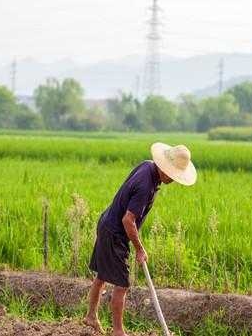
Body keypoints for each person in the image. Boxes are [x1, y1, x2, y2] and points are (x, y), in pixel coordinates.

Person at [83, 142, 197, 336]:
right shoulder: (146, 186)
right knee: (122, 284)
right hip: (115, 233)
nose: (174, 180)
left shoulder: (147, 166)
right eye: (174, 176)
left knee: (102, 274)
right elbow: (128, 220)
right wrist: (139, 248)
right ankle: (118, 331)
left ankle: (91, 316)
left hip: (107, 223)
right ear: (166, 171)